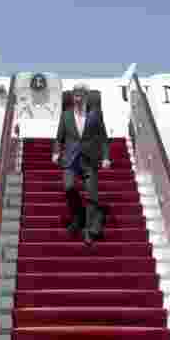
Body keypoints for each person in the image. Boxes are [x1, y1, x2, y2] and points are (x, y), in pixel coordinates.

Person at [52, 83, 111, 245]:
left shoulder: (95, 115)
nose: (77, 99)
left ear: (86, 97)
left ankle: (89, 231)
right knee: (69, 187)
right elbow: (59, 138)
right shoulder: (66, 116)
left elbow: (104, 138)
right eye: (75, 96)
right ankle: (79, 215)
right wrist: (56, 152)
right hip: (70, 160)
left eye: (80, 96)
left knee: (92, 195)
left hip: (89, 160)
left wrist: (106, 157)